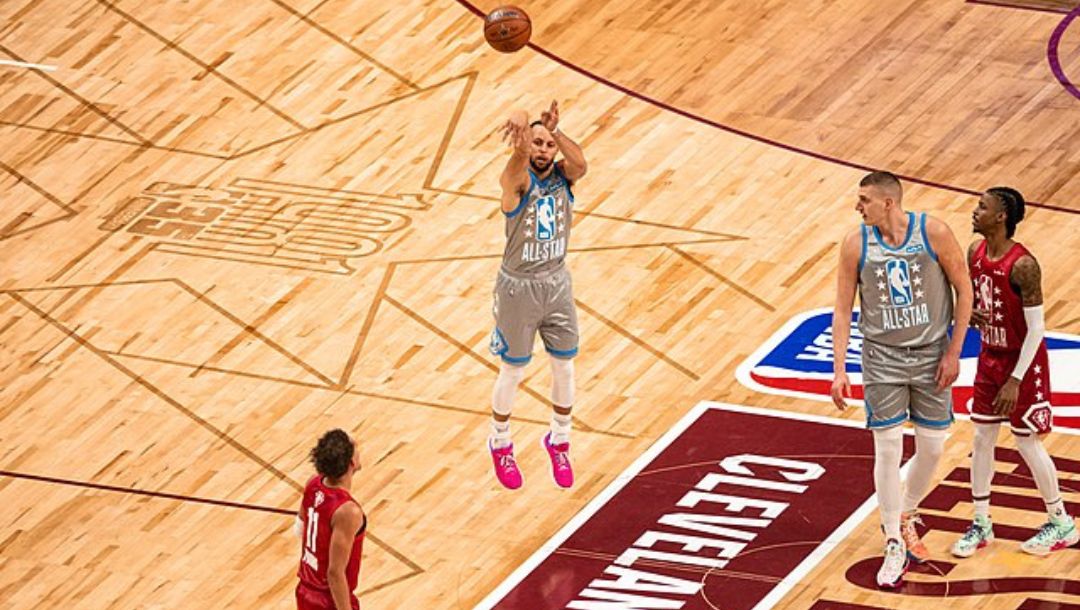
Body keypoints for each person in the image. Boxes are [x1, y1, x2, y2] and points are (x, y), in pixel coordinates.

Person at [831, 171, 972, 588]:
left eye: (864, 200)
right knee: (887, 447)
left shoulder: (934, 232)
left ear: (888, 202)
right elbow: (842, 309)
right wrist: (839, 370)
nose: (858, 207)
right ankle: (893, 536)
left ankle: (906, 509)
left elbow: (964, 289)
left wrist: (954, 352)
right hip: (882, 358)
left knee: (931, 446)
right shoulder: (856, 244)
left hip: (931, 355)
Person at [951, 187, 1078, 557]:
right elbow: (971, 293)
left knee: (1026, 441)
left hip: (1022, 363)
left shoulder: (1023, 265)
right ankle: (981, 522)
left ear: (1001, 216)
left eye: (982, 207)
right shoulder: (975, 251)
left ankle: (1061, 522)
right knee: (980, 438)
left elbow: (1037, 330)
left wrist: (1015, 379)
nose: (975, 212)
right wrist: (969, 310)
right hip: (990, 355)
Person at [488, 100, 587, 490]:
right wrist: (521, 143)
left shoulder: (564, 176)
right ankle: (500, 443)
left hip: (556, 282)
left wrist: (556, 131)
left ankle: (559, 439)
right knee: (513, 368)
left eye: (548, 145)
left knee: (564, 365)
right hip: (518, 287)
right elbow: (510, 174)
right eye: (538, 143)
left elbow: (582, 165)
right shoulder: (519, 182)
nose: (544, 149)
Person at [295, 430, 366, 610]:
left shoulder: (313, 483)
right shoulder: (348, 511)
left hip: (305, 589)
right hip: (328, 600)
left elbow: (299, 527)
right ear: (351, 462)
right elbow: (335, 573)